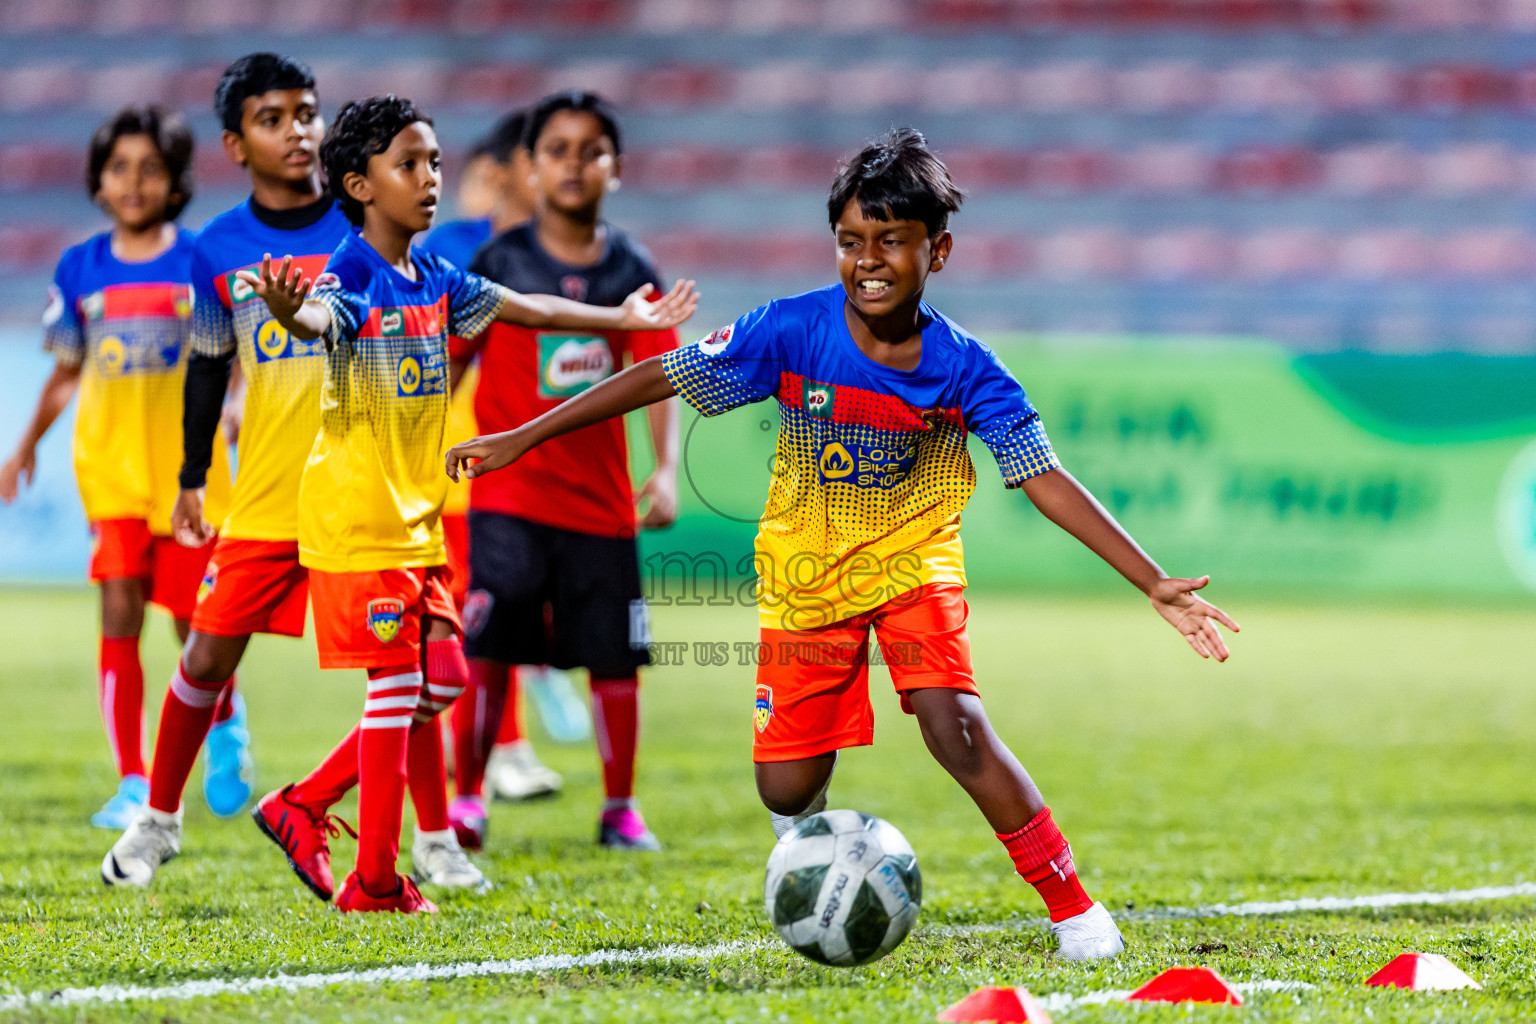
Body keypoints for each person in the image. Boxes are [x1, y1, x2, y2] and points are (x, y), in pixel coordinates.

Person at [447, 128, 1241, 957]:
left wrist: (1151, 580)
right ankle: (812, 848)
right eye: (850, 241)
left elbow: (1041, 475)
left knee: (956, 726)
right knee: (785, 785)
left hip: (913, 567)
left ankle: (1074, 908)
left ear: (939, 250)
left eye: (890, 242)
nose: (867, 260)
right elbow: (661, 372)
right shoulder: (791, 330)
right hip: (805, 578)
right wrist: (523, 436)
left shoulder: (967, 367)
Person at [243, 95, 696, 912]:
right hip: (359, 520)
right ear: (360, 183)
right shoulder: (354, 271)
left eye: (435, 163)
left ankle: (304, 802)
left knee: (440, 678)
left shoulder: (438, 276)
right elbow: (319, 316)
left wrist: (618, 315)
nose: (430, 179)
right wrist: (290, 309)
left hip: (414, 525)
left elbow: (535, 309)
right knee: (397, 690)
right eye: (409, 165)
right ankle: (375, 880)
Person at [96, 55, 470, 894]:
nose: (296, 130)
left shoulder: (374, 231)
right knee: (203, 659)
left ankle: (435, 838)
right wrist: (194, 475)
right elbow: (206, 362)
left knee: (414, 670)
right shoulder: (219, 249)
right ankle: (158, 819)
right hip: (268, 492)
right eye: (273, 118)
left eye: (306, 113)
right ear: (236, 143)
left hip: (369, 499)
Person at [445, 90, 682, 854]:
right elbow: (451, 360)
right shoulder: (498, 263)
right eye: (558, 150)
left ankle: (620, 809)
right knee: (488, 641)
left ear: (616, 168)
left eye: (591, 151)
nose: (574, 165)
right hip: (507, 496)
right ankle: (467, 801)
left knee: (615, 658)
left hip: (600, 504)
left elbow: (659, 373)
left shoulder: (632, 268)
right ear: (528, 167)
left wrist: (667, 468)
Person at [0, 105, 240, 830]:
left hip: (186, 476)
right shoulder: (80, 267)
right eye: (119, 168)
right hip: (109, 471)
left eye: (150, 168)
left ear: (175, 182)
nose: (133, 182)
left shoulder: (201, 260)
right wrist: (26, 444)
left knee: (196, 626)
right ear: (99, 182)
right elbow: (67, 371)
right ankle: (133, 782)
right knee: (118, 613)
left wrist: (234, 407)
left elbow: (228, 354)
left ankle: (228, 729)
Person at [420, 108, 584, 808]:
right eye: (543, 155)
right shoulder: (461, 245)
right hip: (460, 454)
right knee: (477, 606)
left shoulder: (559, 251)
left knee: (512, 603)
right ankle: (500, 750)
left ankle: (515, 717)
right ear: (504, 171)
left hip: (525, 455)